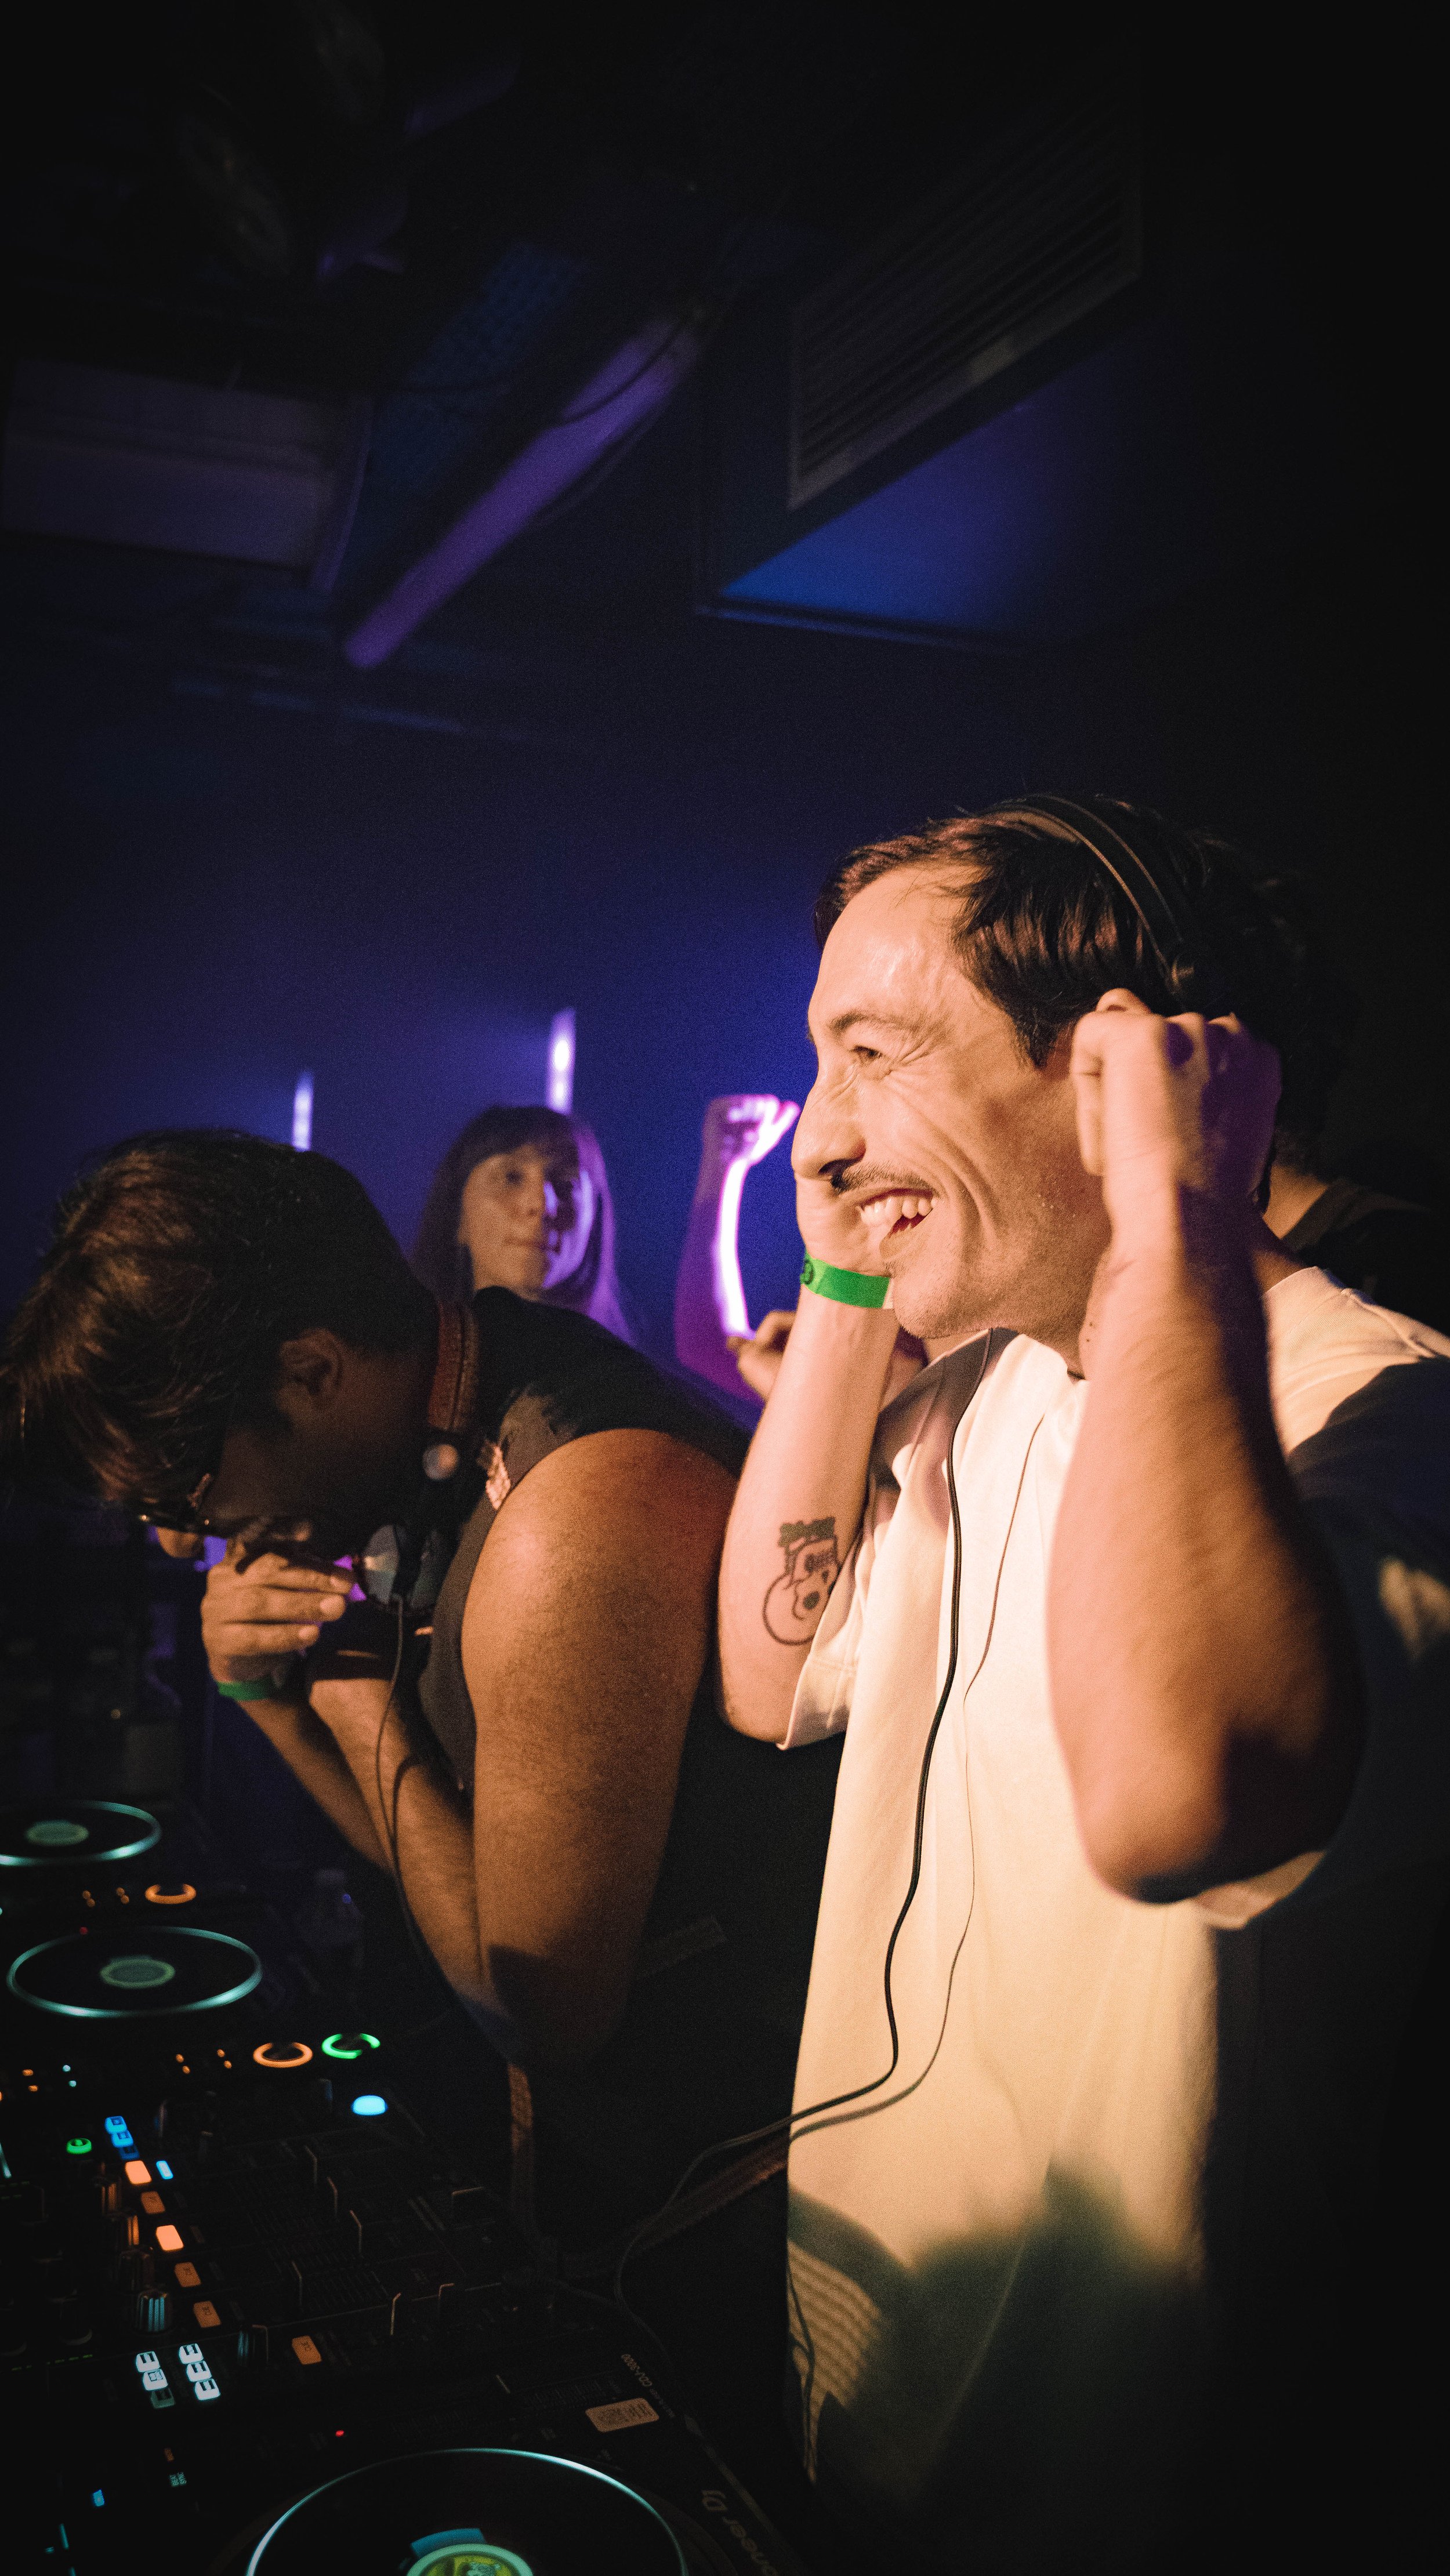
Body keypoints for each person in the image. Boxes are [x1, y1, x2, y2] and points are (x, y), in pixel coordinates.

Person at [716, 796, 1450, 2569]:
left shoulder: (1387, 1415)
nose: (819, 1130)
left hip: (1137, 2493)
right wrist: (847, 1256)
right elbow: (765, 1668)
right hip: (880, 2417)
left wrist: (1169, 1214)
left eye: (872, 1053)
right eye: (816, 1065)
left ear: (1116, 1061)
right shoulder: (990, 1384)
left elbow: (1171, 1799)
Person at [1, 1132, 841, 2279]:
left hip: (739, 2225)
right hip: (615, 2178)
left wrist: (347, 1685)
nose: (187, 1539)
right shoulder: (448, 1408)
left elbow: (538, 2004)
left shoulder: (573, 1516)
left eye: (187, 1490)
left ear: (312, 1370)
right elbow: (445, 1858)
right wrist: (265, 1692)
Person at [412, 1103, 631, 1336]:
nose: (542, 1205)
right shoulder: (403, 1354)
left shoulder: (617, 1361)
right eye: (512, 1178)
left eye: (565, 1185)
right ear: (459, 1213)